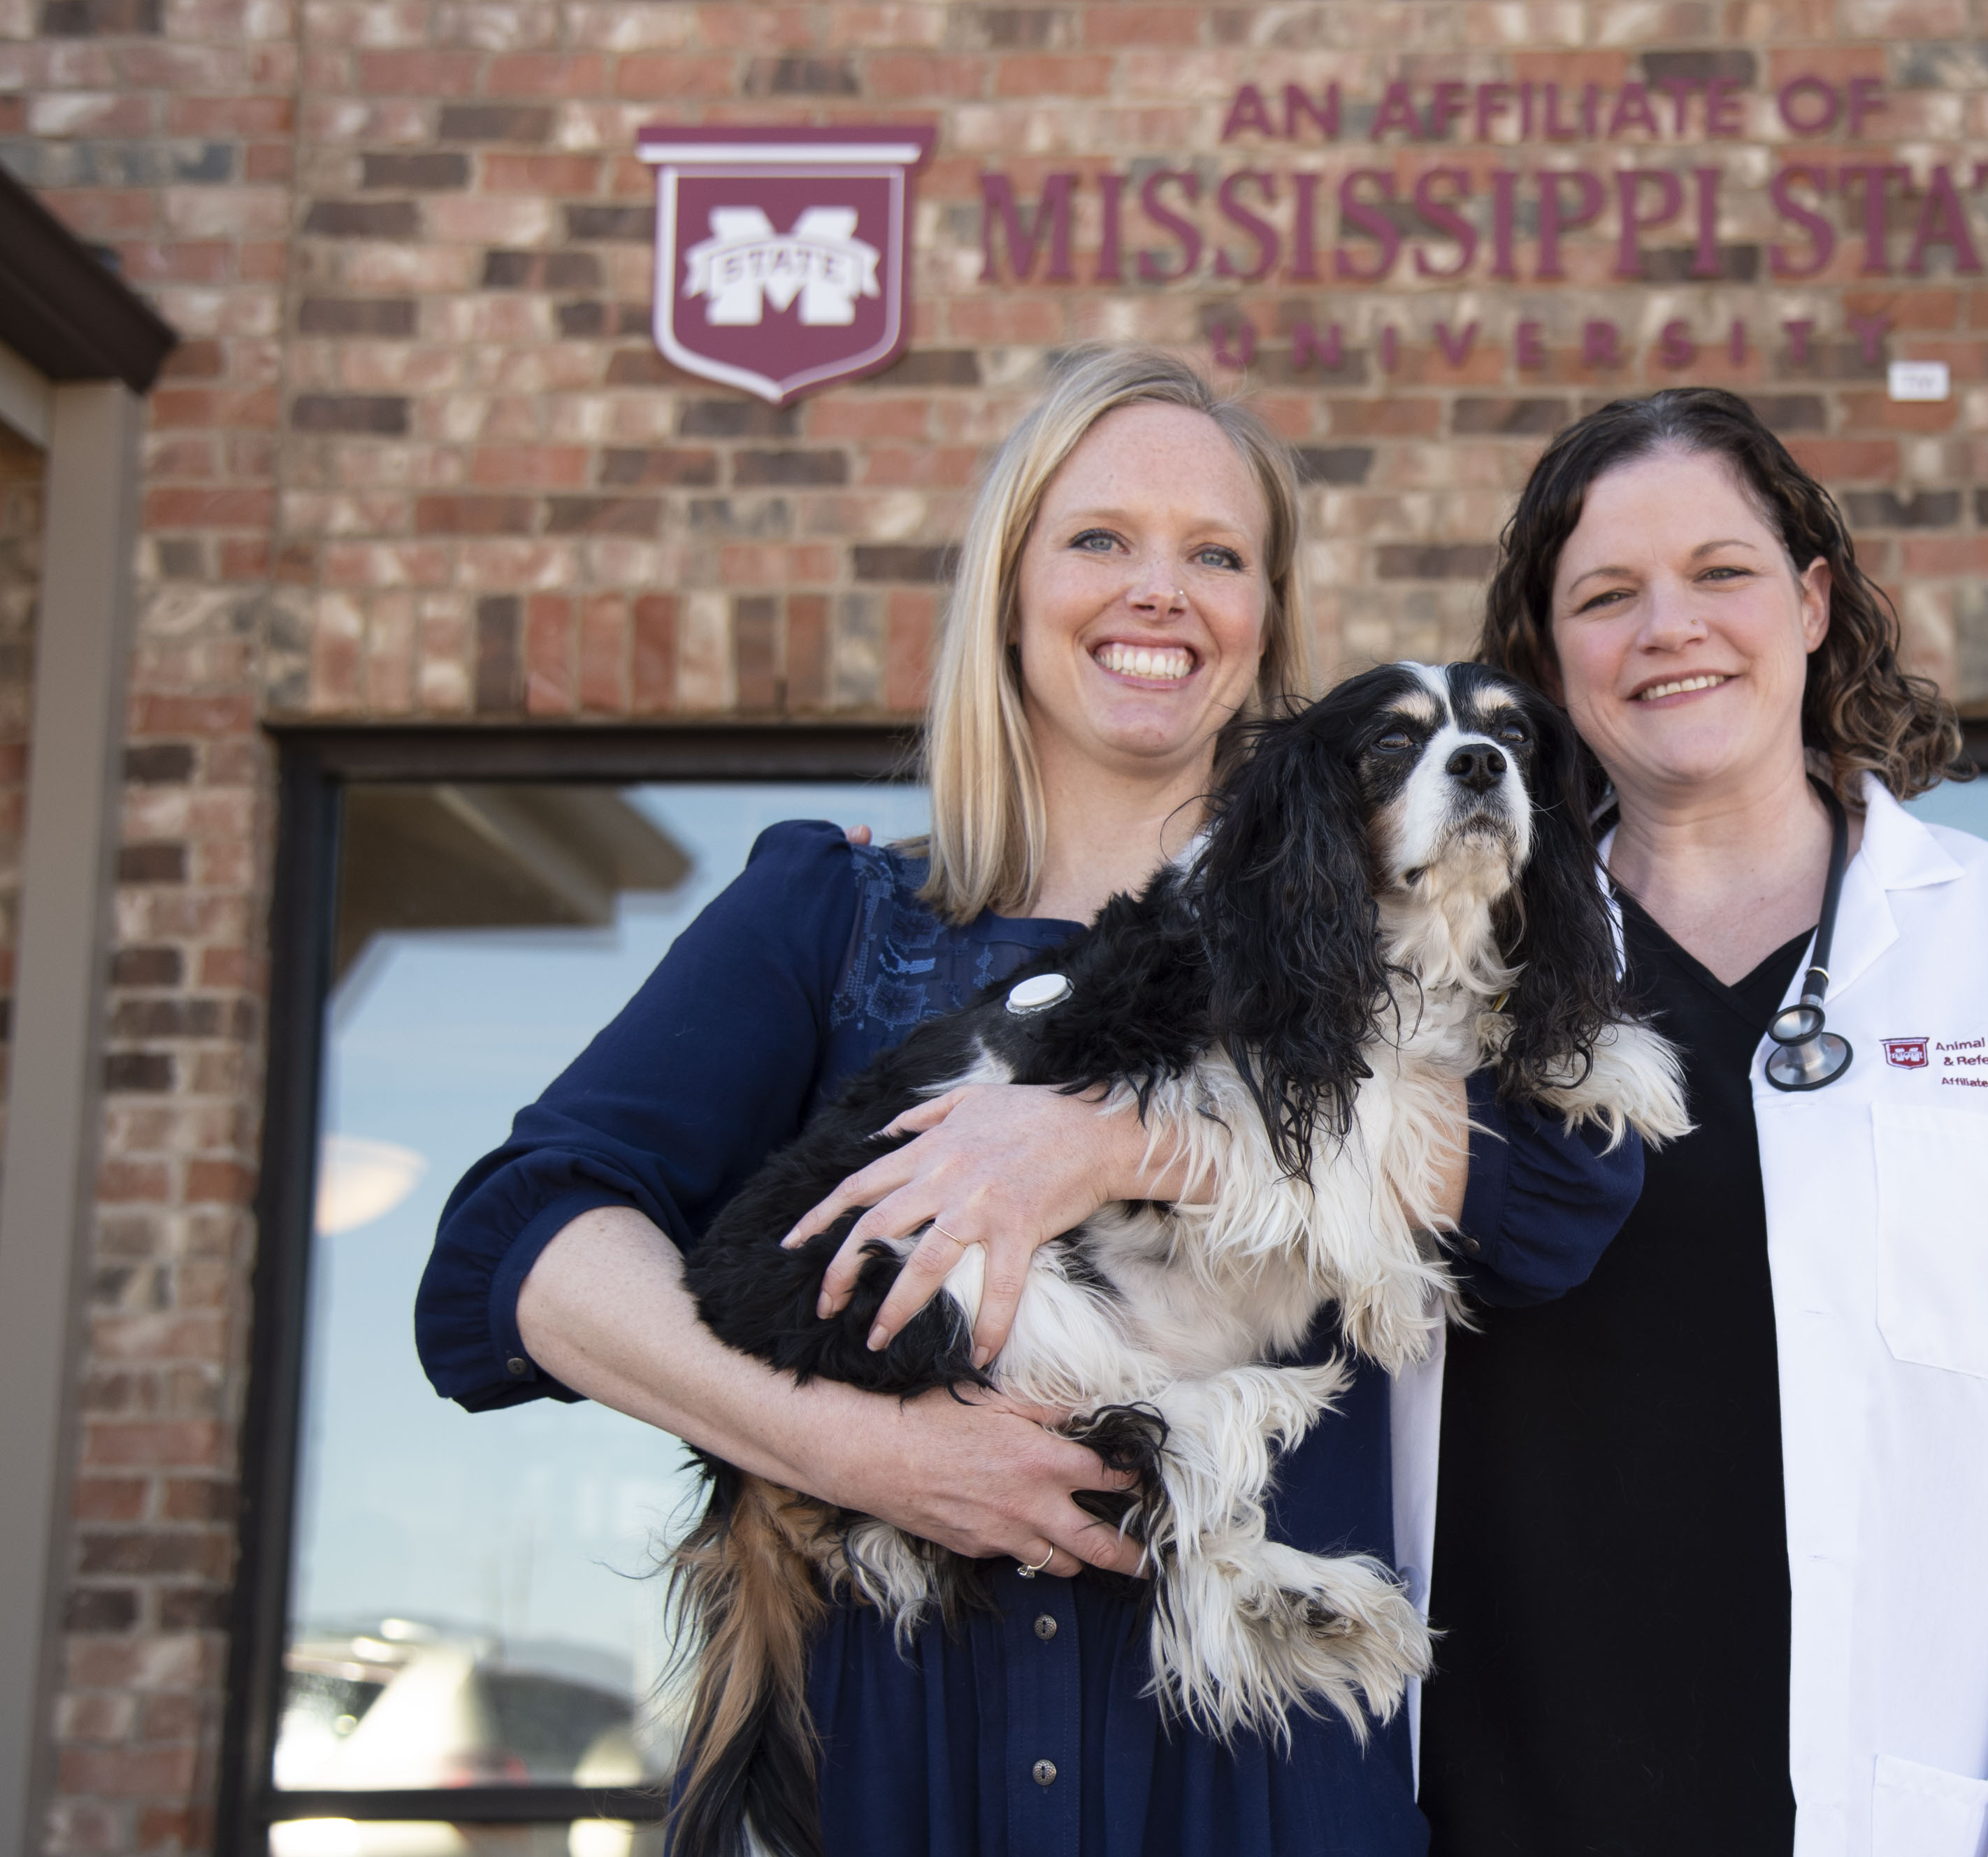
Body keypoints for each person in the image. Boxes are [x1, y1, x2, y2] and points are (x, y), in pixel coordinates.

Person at [415, 345, 1642, 1856]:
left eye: (1216, 554)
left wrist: (1108, 1143)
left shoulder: (1394, 950)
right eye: (1099, 540)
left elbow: (1558, 1195)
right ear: (1011, 587)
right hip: (899, 1769)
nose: (1160, 590)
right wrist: (856, 1452)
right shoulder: (840, 917)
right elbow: (517, 1256)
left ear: (1266, 620)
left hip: (1254, 1786)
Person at [1420, 389, 1988, 1857]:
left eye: (1719, 573)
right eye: (1606, 594)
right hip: (1485, 1815)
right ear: (1546, 658)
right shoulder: (1444, 975)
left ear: (1808, 600)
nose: (1669, 626)